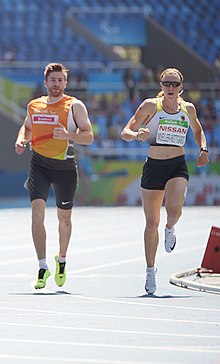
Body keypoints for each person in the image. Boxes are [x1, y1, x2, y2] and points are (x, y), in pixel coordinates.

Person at [121, 67, 209, 295]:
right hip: (154, 166)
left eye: (174, 84)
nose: (170, 88)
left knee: (174, 210)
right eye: (166, 84)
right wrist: (136, 135)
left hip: (177, 165)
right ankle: (150, 271)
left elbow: (198, 131)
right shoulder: (151, 106)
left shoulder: (188, 109)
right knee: (151, 224)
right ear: (161, 86)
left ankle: (170, 227)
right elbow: (125, 131)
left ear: (181, 87)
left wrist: (203, 149)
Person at [15, 63, 94, 289]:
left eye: (60, 80)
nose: (56, 84)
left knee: (64, 219)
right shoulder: (34, 105)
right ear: (46, 83)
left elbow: (88, 136)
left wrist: (69, 134)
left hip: (65, 168)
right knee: (36, 213)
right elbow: (26, 127)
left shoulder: (74, 106)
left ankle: (61, 260)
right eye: (53, 80)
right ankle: (42, 267)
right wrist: (21, 139)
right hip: (39, 165)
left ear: (66, 83)